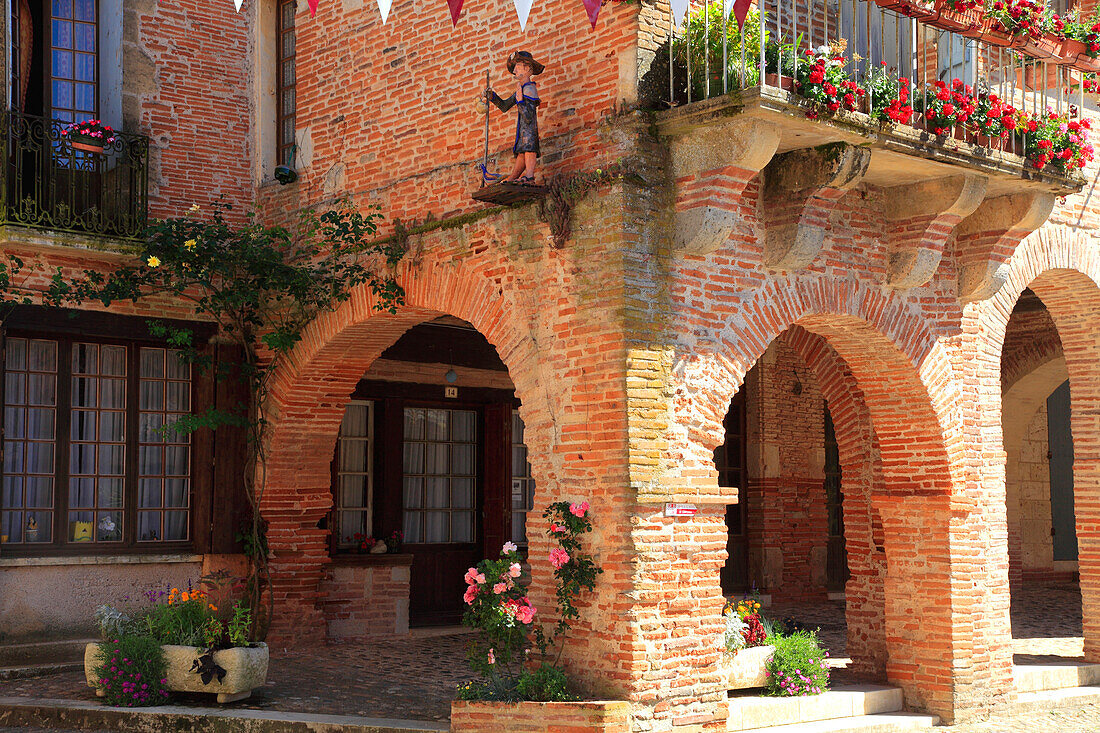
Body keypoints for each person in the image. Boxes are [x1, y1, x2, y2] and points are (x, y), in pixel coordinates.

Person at [484, 50, 545, 184]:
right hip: (523, 130)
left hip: (528, 130)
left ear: (528, 68)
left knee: (528, 148)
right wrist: (492, 97)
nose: (515, 69)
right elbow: (505, 106)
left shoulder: (529, 89)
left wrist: (520, 100)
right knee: (522, 152)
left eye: (518, 65)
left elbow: (529, 115)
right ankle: (513, 177)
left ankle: (529, 176)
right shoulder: (521, 89)